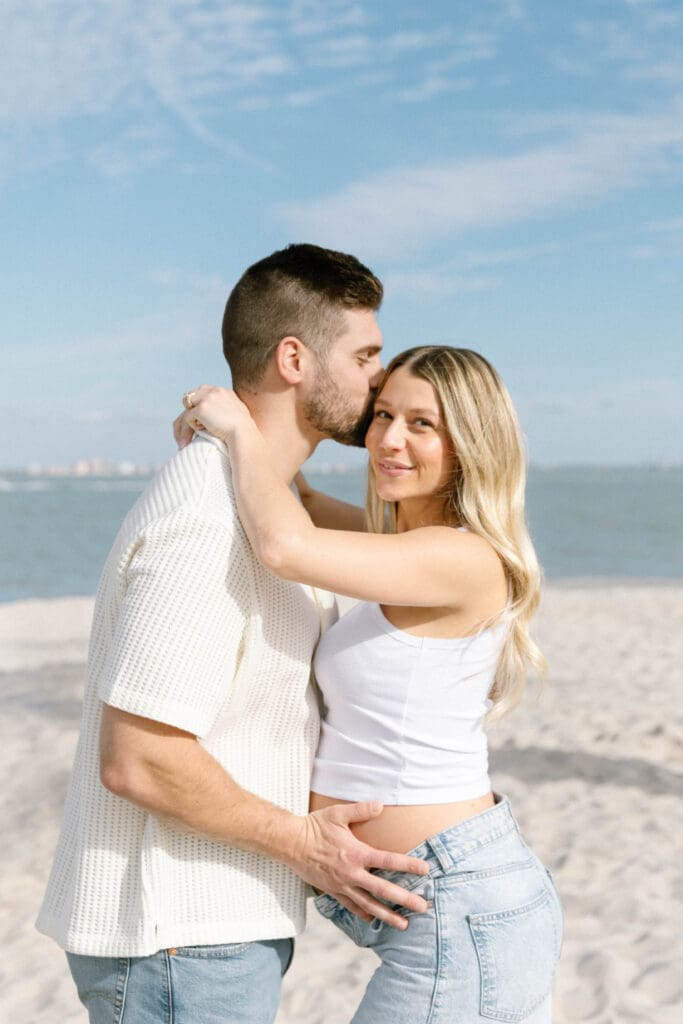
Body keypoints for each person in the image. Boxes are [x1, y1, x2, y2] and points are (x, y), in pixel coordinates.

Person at [36, 244, 432, 1024]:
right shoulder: (207, 515)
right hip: (178, 939)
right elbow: (141, 758)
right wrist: (304, 843)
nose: (379, 379)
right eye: (365, 356)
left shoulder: (259, 500)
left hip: (206, 935)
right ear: (294, 358)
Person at [175, 345, 564, 1023]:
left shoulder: (462, 558)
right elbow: (290, 500)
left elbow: (284, 545)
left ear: (470, 442)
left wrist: (236, 428)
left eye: (422, 424)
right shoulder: (403, 544)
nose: (387, 440)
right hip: (444, 908)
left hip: (455, 907)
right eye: (382, 415)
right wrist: (243, 422)